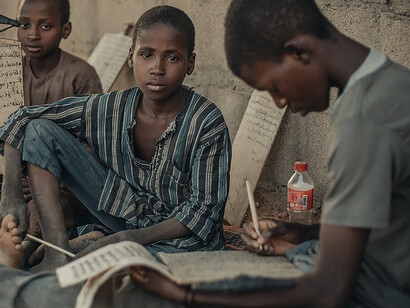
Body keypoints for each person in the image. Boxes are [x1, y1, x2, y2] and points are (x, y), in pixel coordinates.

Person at [123, 0, 410, 307]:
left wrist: (184, 293)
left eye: (274, 86)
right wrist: (304, 233)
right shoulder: (390, 82)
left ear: (298, 51)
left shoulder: (364, 121)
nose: (279, 102)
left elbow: (327, 293)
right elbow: (390, 221)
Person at [0, 4, 231, 276]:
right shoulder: (112, 107)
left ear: (189, 63)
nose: (157, 68)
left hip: (183, 243)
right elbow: (24, 117)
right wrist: (11, 191)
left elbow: (203, 211)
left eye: (172, 58)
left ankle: (97, 245)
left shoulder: (206, 122)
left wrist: (130, 239)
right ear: (131, 57)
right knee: (40, 130)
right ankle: (56, 251)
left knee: (124, 275)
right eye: (147, 55)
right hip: (125, 215)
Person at [14, 0, 103, 268]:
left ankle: (46, 247)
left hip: (64, 187)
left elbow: (95, 148)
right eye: (24, 24)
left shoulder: (81, 75)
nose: (32, 34)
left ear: (66, 29)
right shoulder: (9, 73)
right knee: (11, 216)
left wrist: (46, 177)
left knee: (30, 225)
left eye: (45, 26)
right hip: (16, 181)